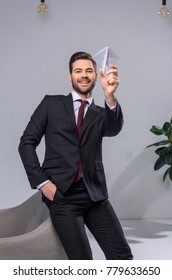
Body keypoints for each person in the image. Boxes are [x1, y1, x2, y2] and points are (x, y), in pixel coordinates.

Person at [18, 51, 133, 260]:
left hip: (95, 196)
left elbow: (114, 128)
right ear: (70, 76)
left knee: (122, 257)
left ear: (96, 77)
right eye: (78, 71)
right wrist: (42, 183)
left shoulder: (101, 113)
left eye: (89, 71)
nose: (84, 75)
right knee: (82, 263)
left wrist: (110, 96)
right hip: (62, 197)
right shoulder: (50, 104)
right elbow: (26, 143)